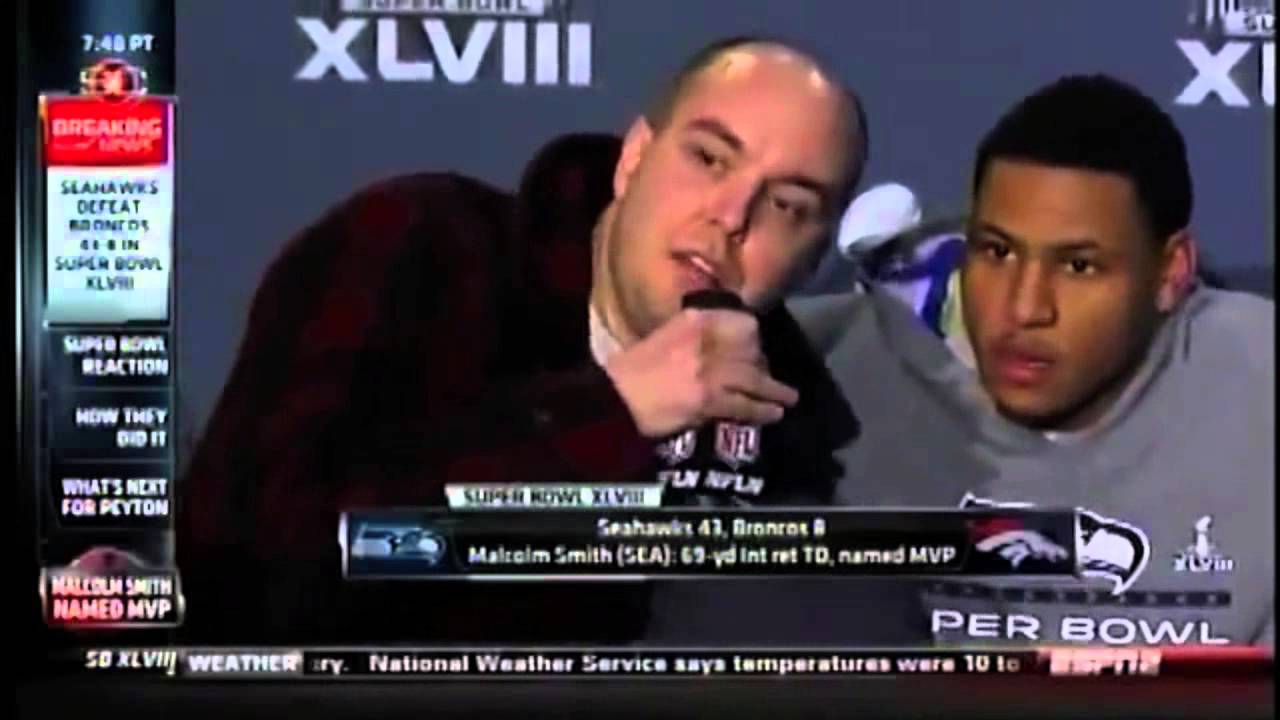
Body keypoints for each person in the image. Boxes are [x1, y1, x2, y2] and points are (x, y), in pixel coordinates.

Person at [177, 37, 867, 643]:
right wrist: (610, 411)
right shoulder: (421, 247)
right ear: (633, 157)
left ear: (813, 258)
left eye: (787, 205)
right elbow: (244, 568)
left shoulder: (806, 428)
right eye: (710, 158)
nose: (731, 216)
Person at [793, 74, 1273, 646]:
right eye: (997, 252)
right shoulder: (812, 367)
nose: (1024, 309)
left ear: (1170, 273)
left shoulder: (1257, 386)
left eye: (1078, 266)